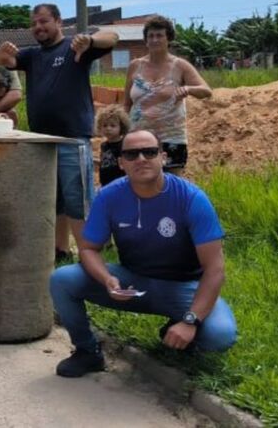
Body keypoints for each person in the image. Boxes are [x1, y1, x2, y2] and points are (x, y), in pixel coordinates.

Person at [48, 130, 237, 377]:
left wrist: (191, 321)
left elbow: (215, 269)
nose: (141, 159)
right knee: (62, 279)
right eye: (131, 154)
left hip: (182, 287)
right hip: (132, 280)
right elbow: (88, 249)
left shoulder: (191, 198)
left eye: (149, 152)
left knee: (219, 336)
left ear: (164, 157)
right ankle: (87, 352)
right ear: (121, 163)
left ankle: (181, 327)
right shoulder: (109, 196)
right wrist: (107, 279)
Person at [0, 3, 118, 264]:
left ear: (59, 22)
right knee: (54, 200)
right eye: (35, 23)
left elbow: (112, 38)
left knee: (78, 201)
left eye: (44, 21)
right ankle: (61, 250)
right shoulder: (32, 56)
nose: (39, 27)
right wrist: (1, 54)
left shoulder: (75, 46)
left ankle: (90, 261)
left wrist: (90, 39)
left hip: (72, 138)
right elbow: (1, 61)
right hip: (41, 141)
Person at [124, 15, 212, 174]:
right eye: (150, 36)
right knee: (140, 184)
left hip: (170, 139)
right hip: (139, 137)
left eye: (159, 35)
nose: (154, 40)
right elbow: (126, 105)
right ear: (146, 40)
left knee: (171, 186)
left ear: (168, 39)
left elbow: (206, 91)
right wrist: (122, 134)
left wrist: (189, 89)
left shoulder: (180, 66)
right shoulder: (135, 66)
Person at [95, 105, 130, 187]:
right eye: (105, 125)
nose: (108, 128)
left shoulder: (124, 145)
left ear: (121, 127)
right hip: (105, 183)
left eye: (112, 125)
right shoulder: (103, 145)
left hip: (120, 184)